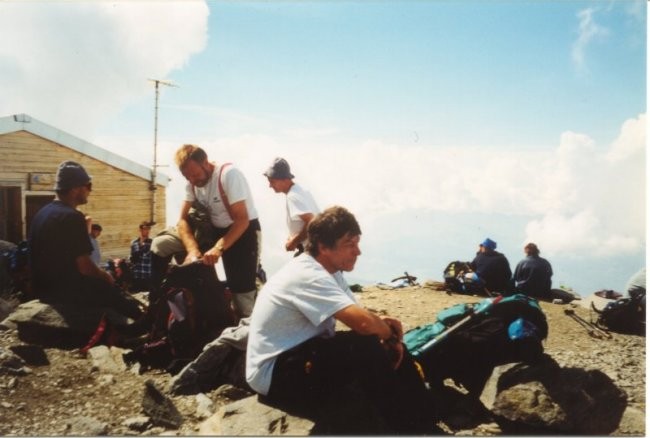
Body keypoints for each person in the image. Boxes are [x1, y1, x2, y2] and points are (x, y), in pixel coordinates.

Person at [246, 206, 436, 434]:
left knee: (373, 343)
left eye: (357, 243)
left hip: (302, 352)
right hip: (273, 372)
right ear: (323, 247)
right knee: (368, 346)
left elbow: (356, 314)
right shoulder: (307, 274)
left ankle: (421, 413)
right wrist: (386, 335)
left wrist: (383, 327)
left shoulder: (331, 272)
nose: (358, 252)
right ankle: (404, 423)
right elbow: (363, 324)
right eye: (350, 244)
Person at [151, 144, 261, 319]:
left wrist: (218, 248)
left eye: (195, 174)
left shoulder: (229, 175)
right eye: (188, 176)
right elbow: (182, 220)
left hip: (242, 232)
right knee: (160, 245)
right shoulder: (192, 183)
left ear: (205, 162)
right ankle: (158, 306)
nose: (193, 180)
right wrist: (192, 250)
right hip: (213, 229)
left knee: (241, 294)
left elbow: (242, 220)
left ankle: (248, 332)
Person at [28, 161, 143, 321]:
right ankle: (144, 324)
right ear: (75, 188)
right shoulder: (73, 217)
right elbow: (85, 267)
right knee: (111, 292)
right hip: (65, 292)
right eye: (88, 186)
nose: (90, 190)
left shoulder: (41, 214)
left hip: (43, 290)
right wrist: (106, 277)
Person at [263, 157, 319, 256]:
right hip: (317, 251)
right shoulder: (301, 191)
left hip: (313, 253)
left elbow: (312, 222)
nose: (270, 186)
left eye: (272, 181)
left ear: (284, 179)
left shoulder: (292, 196)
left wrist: (294, 242)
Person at [130, 221, 154, 292]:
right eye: (145, 229)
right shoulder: (134, 243)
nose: (147, 231)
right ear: (140, 230)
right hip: (137, 275)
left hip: (147, 275)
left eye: (149, 229)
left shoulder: (152, 242)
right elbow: (132, 259)